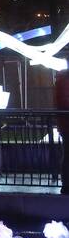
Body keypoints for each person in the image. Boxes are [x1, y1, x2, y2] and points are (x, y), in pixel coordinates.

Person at [56, 64, 69, 195]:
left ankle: (66, 185)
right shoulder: (64, 80)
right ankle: (67, 185)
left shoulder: (62, 80)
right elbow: (65, 102)